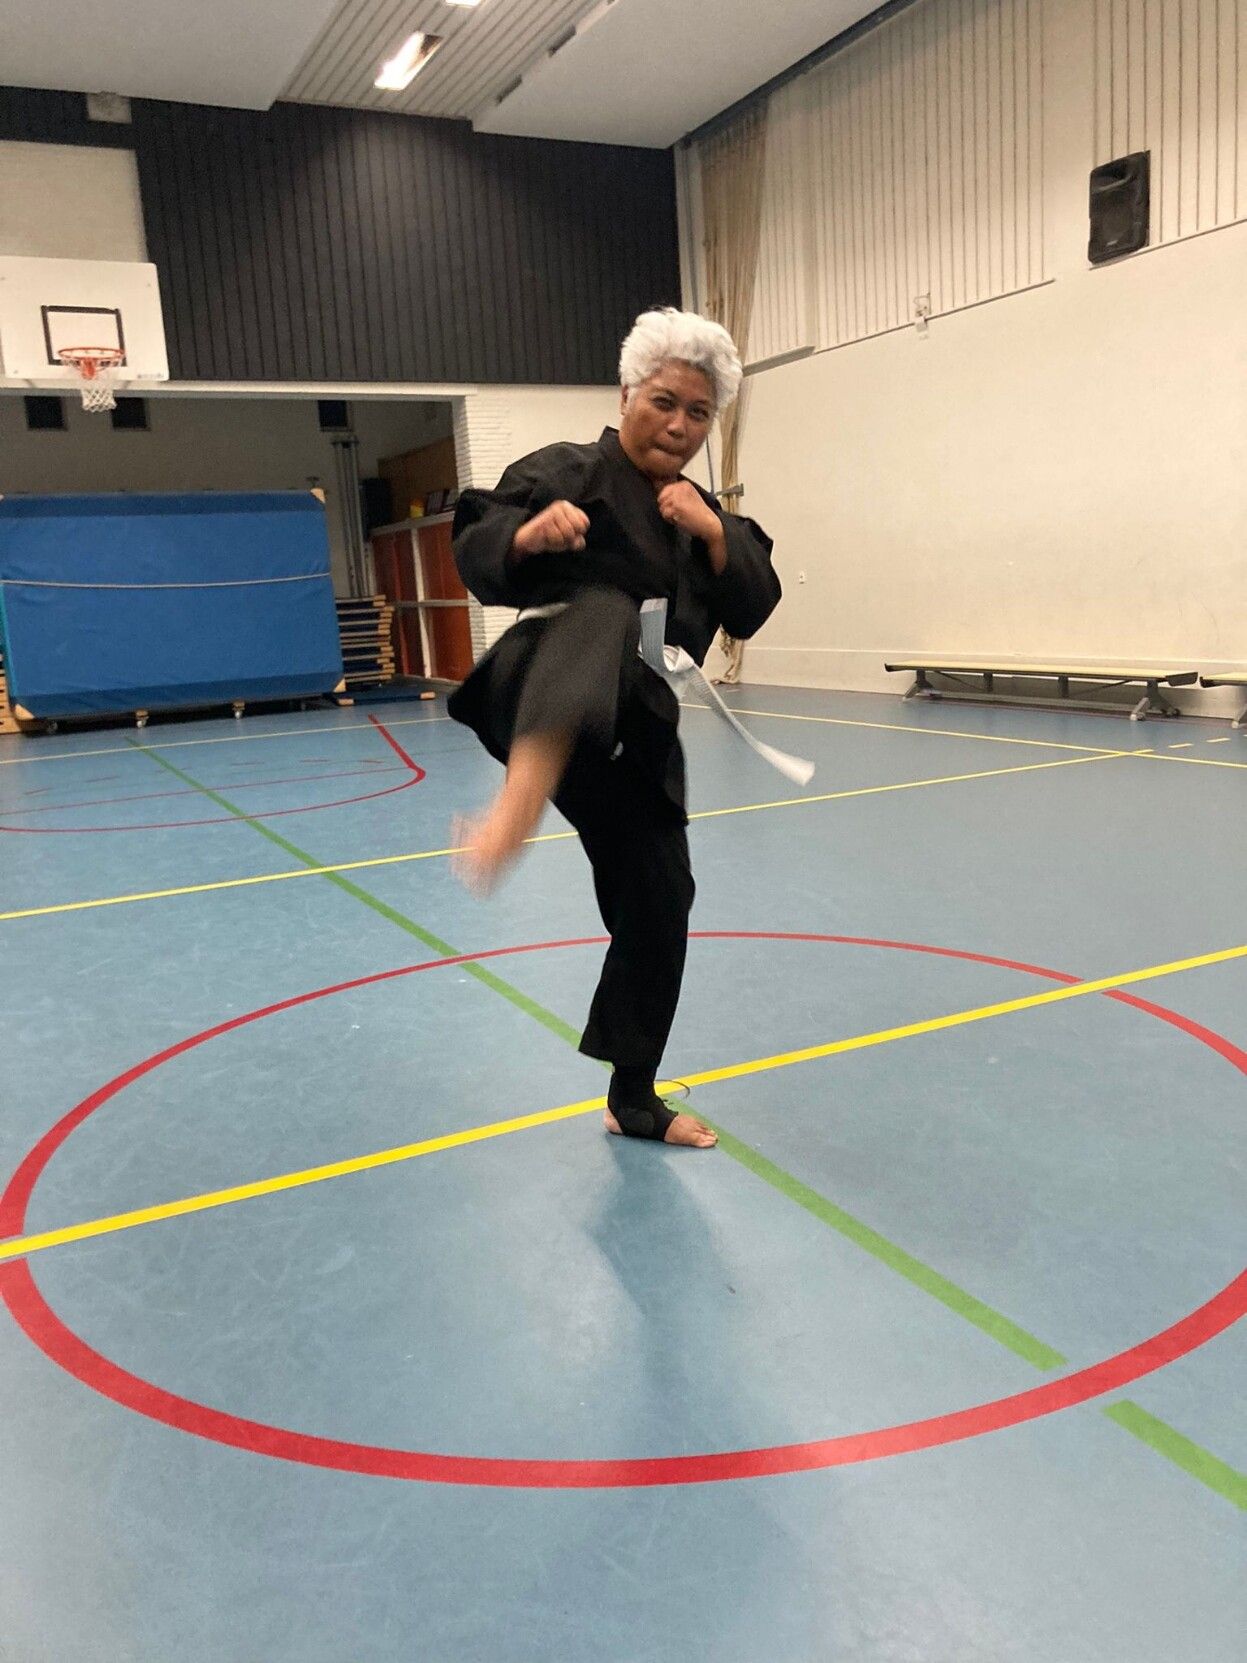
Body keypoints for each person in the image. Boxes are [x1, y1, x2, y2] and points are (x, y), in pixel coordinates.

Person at [447, 308, 781, 1149]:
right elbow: (479, 539)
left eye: (697, 414)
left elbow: (753, 597)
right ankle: (512, 808)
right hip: (539, 682)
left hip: (634, 729)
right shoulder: (566, 471)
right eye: (663, 401)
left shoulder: (695, 508)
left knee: (660, 897)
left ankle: (632, 1096)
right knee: (603, 609)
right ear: (628, 391)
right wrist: (526, 533)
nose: (677, 424)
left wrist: (713, 535)